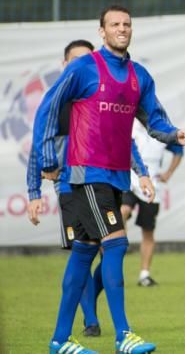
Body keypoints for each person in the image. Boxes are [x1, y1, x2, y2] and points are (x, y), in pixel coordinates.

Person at [31, 6, 185, 354]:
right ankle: (124, 335)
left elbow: (155, 121)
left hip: (116, 177)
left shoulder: (139, 76)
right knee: (117, 243)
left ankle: (60, 341)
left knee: (83, 253)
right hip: (86, 174)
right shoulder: (84, 67)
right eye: (115, 25)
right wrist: (46, 157)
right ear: (101, 31)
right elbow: (48, 107)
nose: (122, 29)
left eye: (127, 24)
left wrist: (174, 134)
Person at [27, 40, 103, 338]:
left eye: (88, 60)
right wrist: (34, 193)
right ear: (64, 65)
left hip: (103, 186)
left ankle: (89, 307)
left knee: (111, 253)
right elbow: (38, 148)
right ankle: (90, 320)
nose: (82, 66)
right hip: (70, 188)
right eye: (75, 61)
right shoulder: (55, 103)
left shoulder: (99, 100)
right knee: (82, 251)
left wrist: (139, 173)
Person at [120, 115, 185, 287]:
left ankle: (144, 274)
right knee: (123, 211)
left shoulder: (160, 129)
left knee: (148, 232)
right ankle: (120, 244)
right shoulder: (129, 125)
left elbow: (179, 151)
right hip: (131, 180)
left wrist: (169, 173)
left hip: (152, 187)